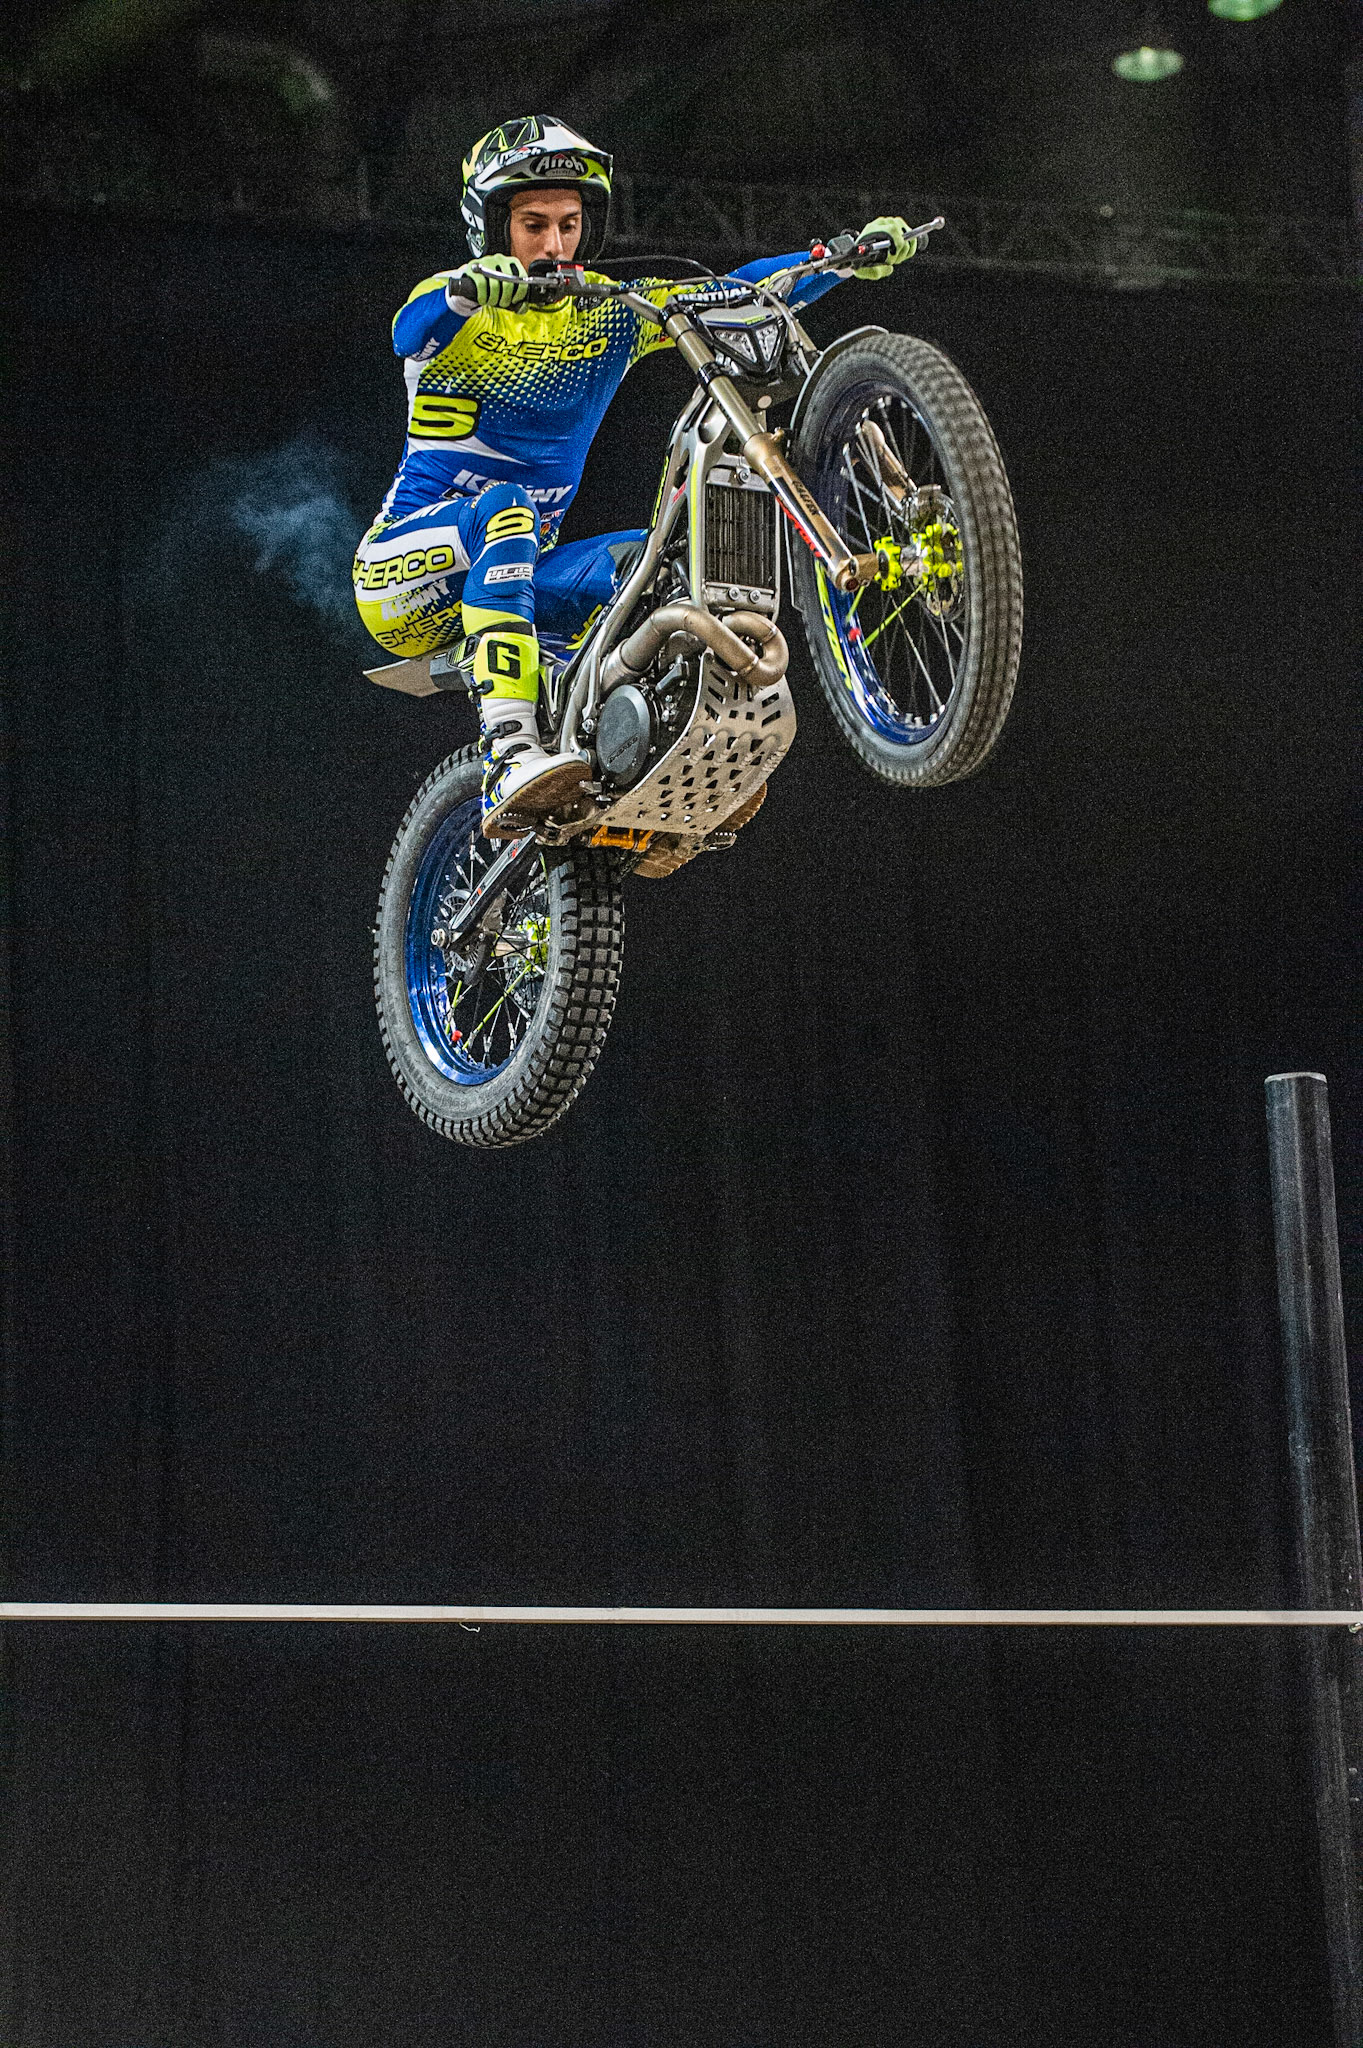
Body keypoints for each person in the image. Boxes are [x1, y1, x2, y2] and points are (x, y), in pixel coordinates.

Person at [353, 114, 919, 834]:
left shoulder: (609, 313)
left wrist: (835, 261)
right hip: (400, 578)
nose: (554, 244)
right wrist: (472, 288)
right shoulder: (457, 305)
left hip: (520, 572)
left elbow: (730, 291)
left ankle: (640, 781)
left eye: (568, 224)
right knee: (507, 509)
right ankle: (509, 751)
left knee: (659, 574)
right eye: (532, 225)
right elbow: (412, 327)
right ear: (494, 231)